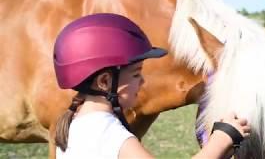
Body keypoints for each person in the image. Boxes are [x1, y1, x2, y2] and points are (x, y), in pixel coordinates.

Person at [53, 13, 251, 159]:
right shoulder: (108, 134)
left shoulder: (75, 124)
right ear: (104, 82)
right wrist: (222, 139)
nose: (142, 81)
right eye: (136, 74)